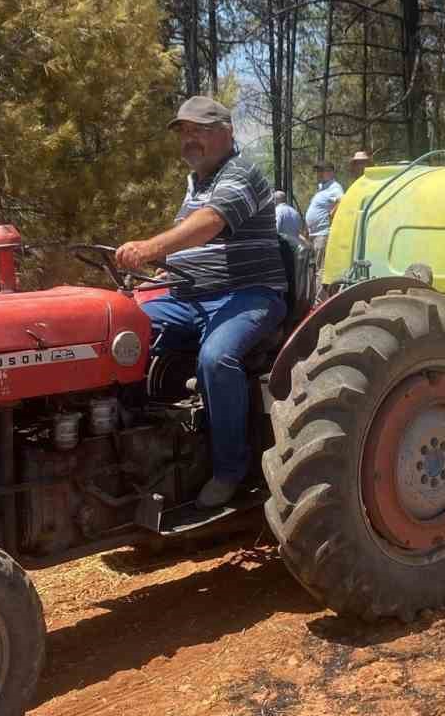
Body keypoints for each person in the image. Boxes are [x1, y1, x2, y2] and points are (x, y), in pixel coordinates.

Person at [115, 96, 287, 510]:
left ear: (226, 133)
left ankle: (230, 470)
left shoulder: (242, 173)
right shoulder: (196, 183)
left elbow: (209, 224)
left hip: (250, 295)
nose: (189, 140)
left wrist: (150, 248)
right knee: (121, 330)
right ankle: (130, 441)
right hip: (191, 296)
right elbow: (193, 242)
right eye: (184, 133)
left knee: (216, 357)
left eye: (199, 131)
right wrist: (167, 269)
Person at [305, 161, 344, 290]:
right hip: (314, 234)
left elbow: (342, 201)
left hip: (322, 234)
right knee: (314, 269)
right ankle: (315, 298)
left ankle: (319, 302)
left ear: (331, 172)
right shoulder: (322, 187)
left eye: (323, 171)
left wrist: (332, 214)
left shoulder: (334, 187)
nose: (319, 174)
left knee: (320, 270)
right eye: (318, 171)